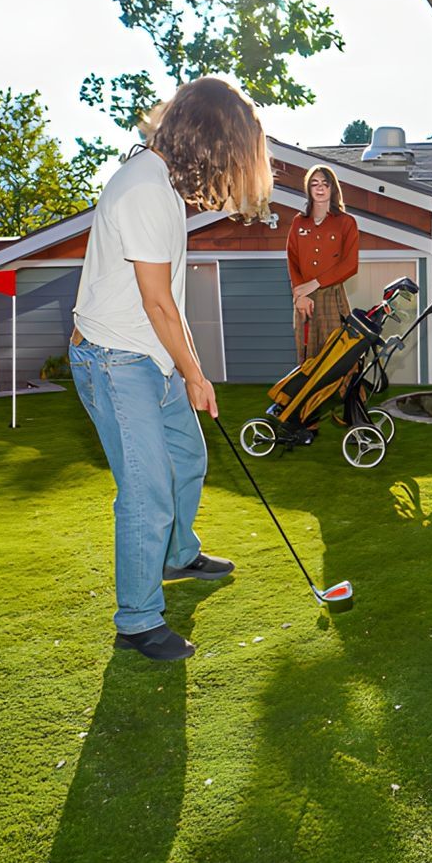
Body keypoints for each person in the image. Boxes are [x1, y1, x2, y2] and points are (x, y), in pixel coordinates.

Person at [68, 77, 272, 661]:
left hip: (147, 355)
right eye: (232, 156)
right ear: (208, 141)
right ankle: (137, 618)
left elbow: (165, 302)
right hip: (113, 360)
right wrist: (196, 375)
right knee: (147, 490)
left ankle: (178, 556)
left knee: (189, 458)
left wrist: (191, 368)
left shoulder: (159, 186)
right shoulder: (145, 191)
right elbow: (157, 303)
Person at [287, 165, 361, 370]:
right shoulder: (298, 222)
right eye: (314, 184)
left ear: (332, 189)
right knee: (307, 359)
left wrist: (315, 284)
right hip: (305, 299)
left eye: (324, 184)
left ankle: (348, 399)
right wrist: (299, 295)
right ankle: (309, 400)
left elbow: (350, 265)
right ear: (308, 189)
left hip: (332, 297)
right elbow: (292, 259)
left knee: (338, 353)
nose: (319, 188)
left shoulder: (346, 222)